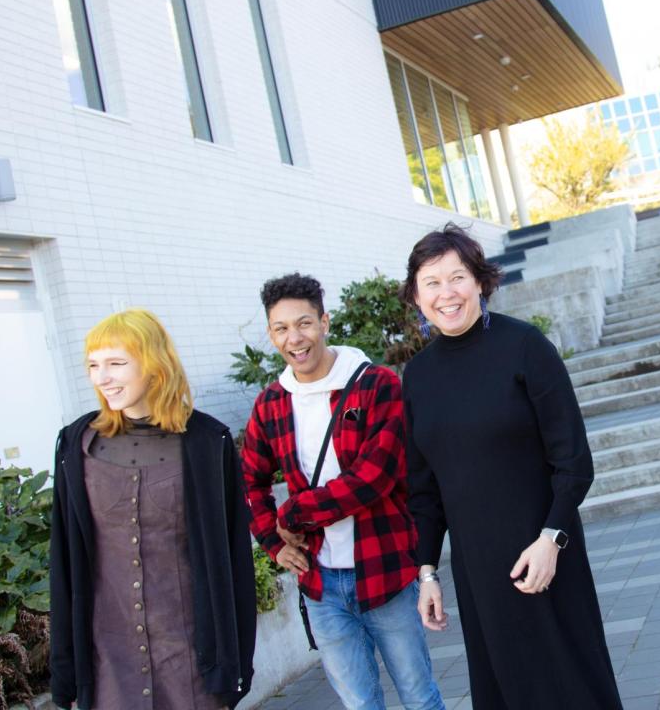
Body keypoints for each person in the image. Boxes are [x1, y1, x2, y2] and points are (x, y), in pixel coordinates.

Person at [401, 224, 623, 710]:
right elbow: (424, 489)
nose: (447, 294)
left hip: (546, 557)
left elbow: (573, 462)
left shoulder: (525, 347)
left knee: (573, 689)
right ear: (417, 298)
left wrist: (551, 539)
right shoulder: (417, 377)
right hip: (478, 574)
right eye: (432, 283)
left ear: (479, 281)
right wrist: (426, 573)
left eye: (456, 277)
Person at [241, 273, 443, 710]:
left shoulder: (377, 385)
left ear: (325, 322)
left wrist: (293, 514)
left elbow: (374, 477)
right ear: (271, 334)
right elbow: (249, 481)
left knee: (419, 697)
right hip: (321, 584)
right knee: (359, 705)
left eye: (304, 323)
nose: (295, 338)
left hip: (385, 570)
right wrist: (274, 543)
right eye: (281, 329)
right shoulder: (271, 403)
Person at [49, 309, 256, 710]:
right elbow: (64, 562)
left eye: (116, 363)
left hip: (191, 661)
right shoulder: (76, 446)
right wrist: (67, 670)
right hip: (108, 660)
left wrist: (235, 666)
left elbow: (233, 560)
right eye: (93, 365)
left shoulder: (207, 443)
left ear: (154, 364)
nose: (101, 377)